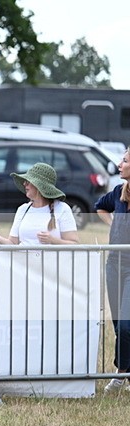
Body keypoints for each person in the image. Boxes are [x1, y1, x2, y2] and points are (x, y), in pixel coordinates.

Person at [95, 146, 130, 392]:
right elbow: (99, 206)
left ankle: (120, 374)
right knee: (119, 327)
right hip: (114, 264)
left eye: (124, 160)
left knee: (127, 325)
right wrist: (114, 223)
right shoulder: (118, 192)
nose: (119, 164)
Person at [0, 162, 79, 245]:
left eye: (28, 181)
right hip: (23, 260)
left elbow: (74, 244)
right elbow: (13, 243)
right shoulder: (22, 209)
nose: (24, 184)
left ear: (39, 185)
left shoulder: (62, 208)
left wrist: (53, 240)